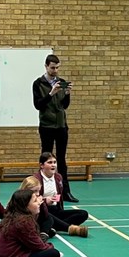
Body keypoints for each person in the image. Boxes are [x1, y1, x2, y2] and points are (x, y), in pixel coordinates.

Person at [31, 53, 79, 202]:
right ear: (46, 66)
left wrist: (67, 94)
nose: (55, 70)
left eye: (57, 67)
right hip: (46, 125)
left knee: (61, 160)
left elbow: (64, 106)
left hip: (61, 125)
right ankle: (43, 190)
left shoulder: (61, 81)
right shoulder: (38, 84)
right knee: (46, 159)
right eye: (53, 68)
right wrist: (51, 93)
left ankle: (65, 192)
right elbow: (38, 105)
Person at [0, 188, 65, 257]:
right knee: (54, 253)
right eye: (35, 201)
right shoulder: (23, 222)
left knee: (49, 251)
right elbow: (38, 246)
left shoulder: (17, 216)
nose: (39, 203)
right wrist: (50, 247)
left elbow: (45, 218)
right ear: (25, 206)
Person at [32, 152, 88, 234]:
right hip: (42, 211)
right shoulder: (35, 179)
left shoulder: (58, 177)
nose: (53, 165)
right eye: (50, 162)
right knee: (48, 217)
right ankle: (69, 228)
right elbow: (31, 198)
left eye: (55, 162)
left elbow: (60, 196)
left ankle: (52, 226)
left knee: (83, 214)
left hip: (56, 210)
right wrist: (45, 201)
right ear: (42, 165)